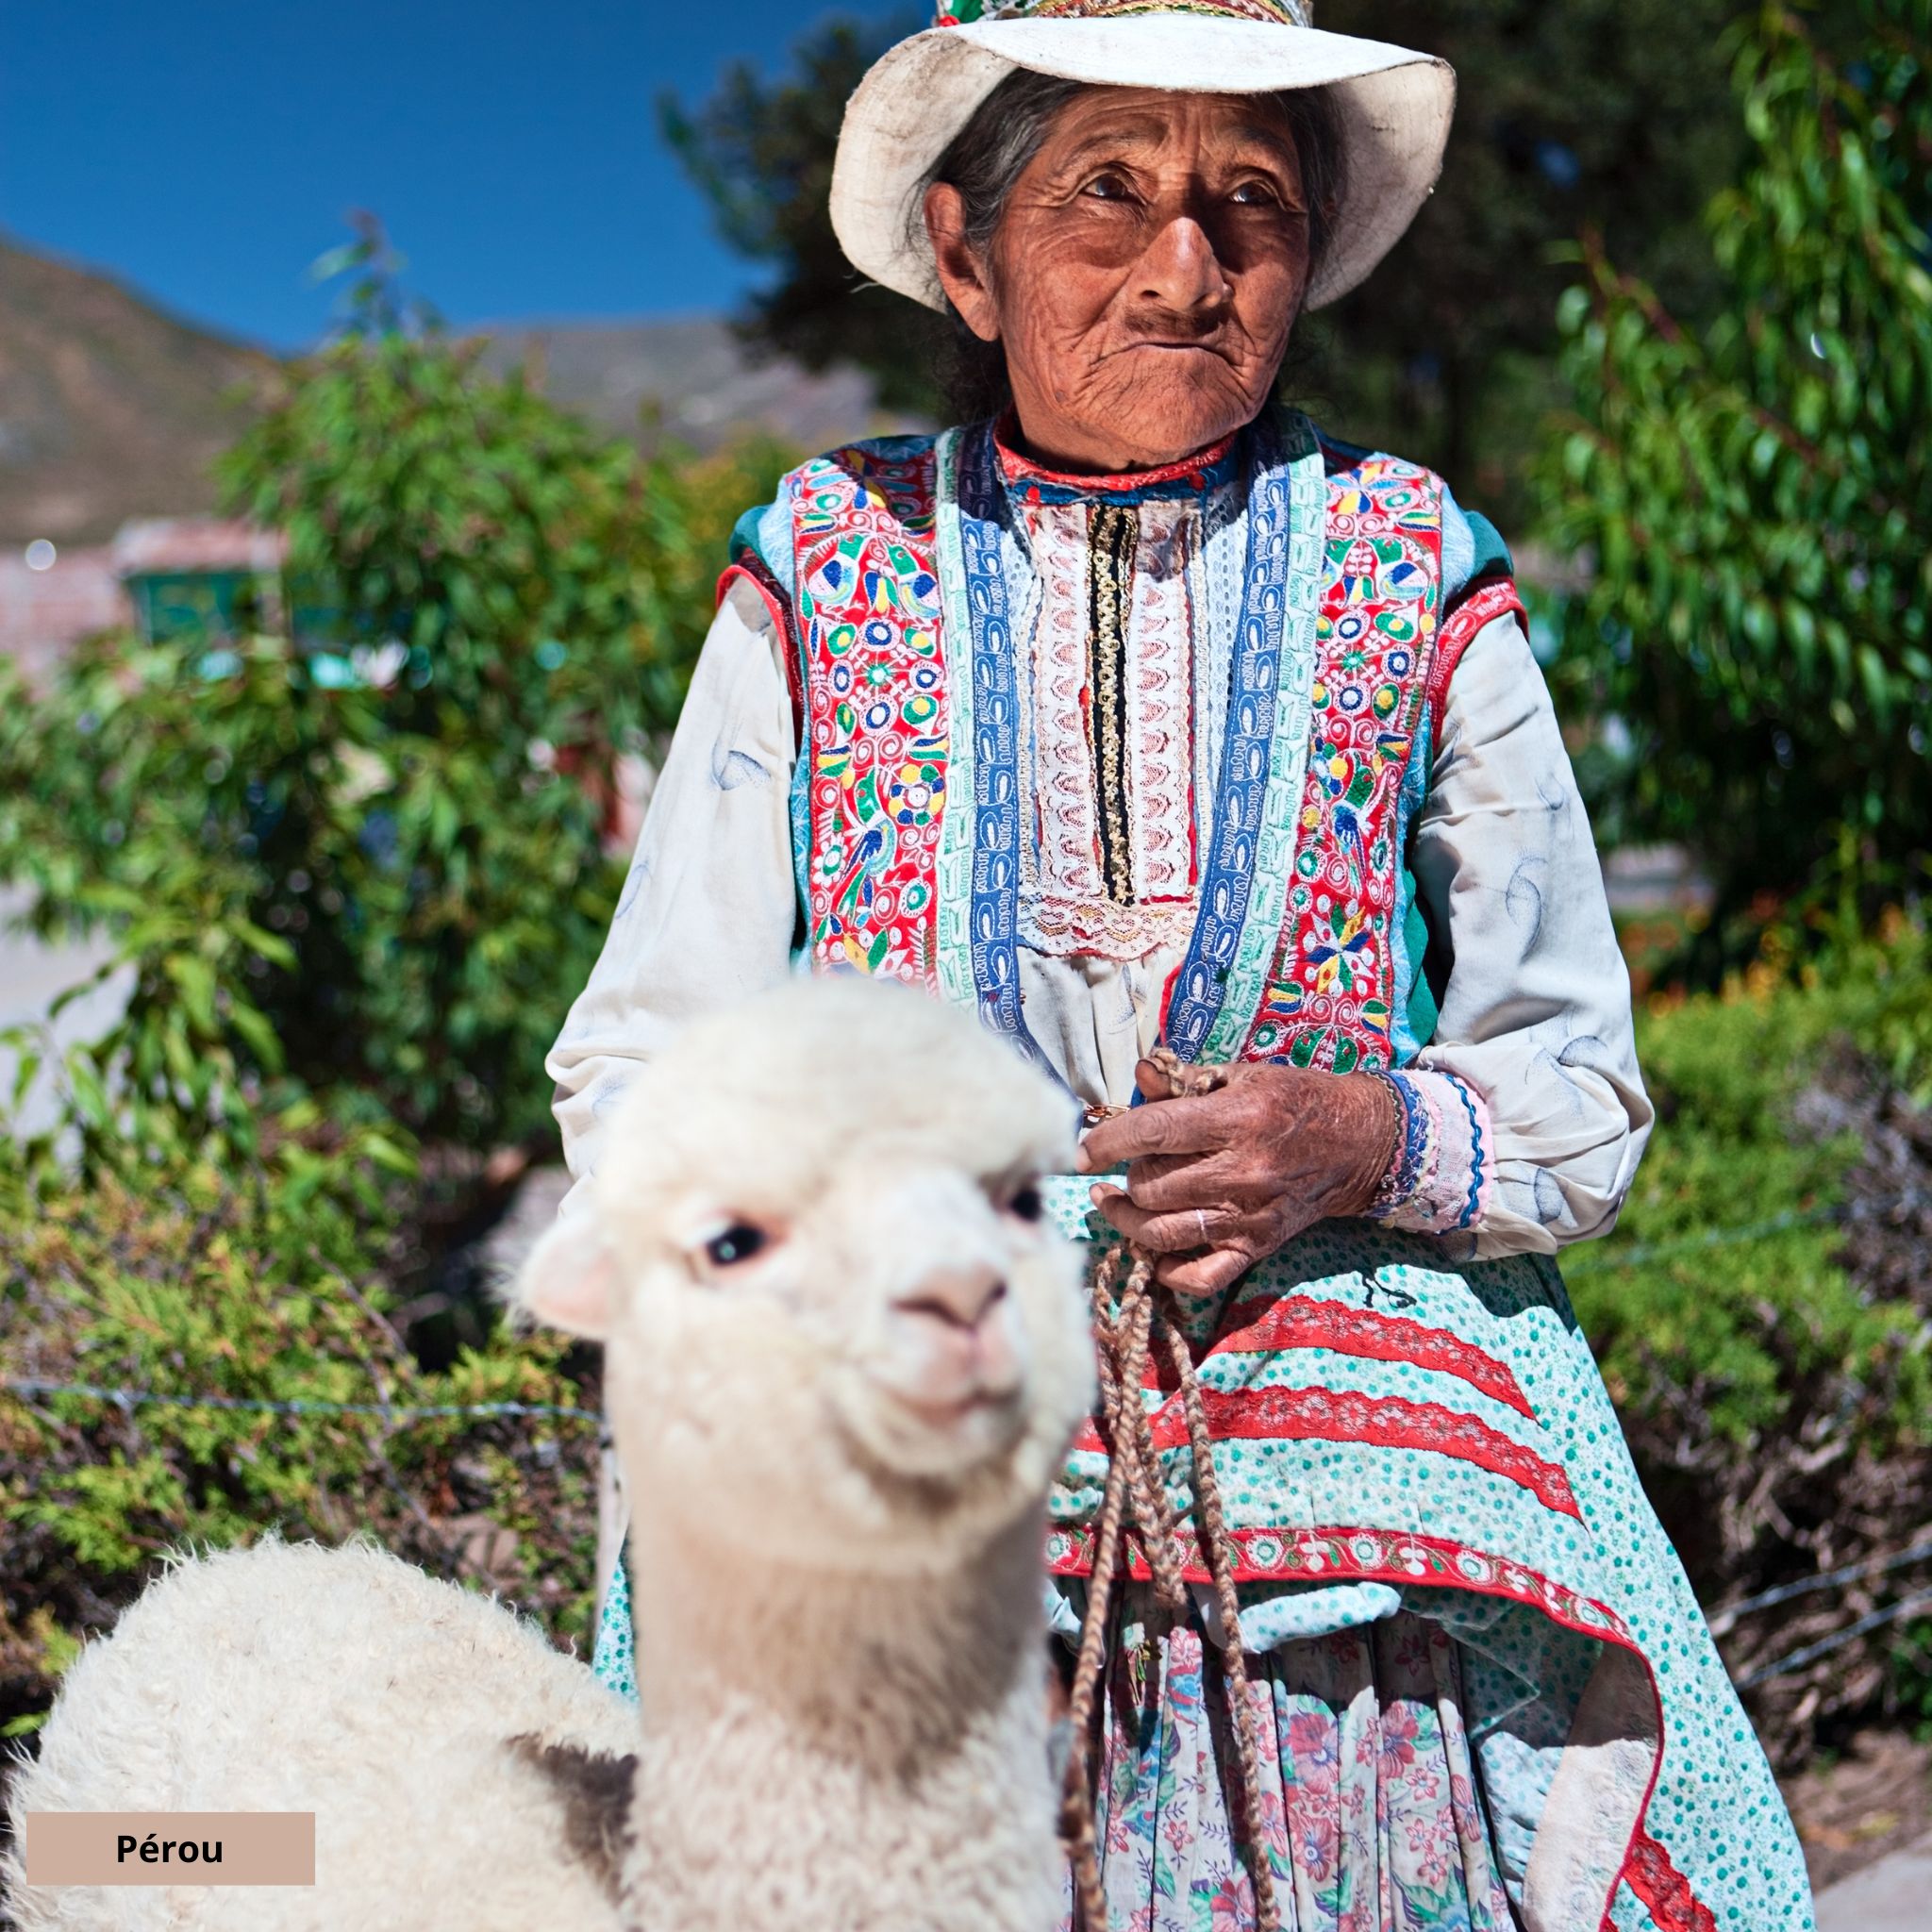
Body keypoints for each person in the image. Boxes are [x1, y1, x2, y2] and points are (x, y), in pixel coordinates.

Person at [547, 4, 1813, 1926]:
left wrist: (1363, 1138)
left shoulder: (1408, 562)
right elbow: (647, 1061)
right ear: (967, 255)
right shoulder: (824, 560)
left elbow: (1578, 1084)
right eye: (1107, 193)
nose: (1184, 270)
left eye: (1250, 205)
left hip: (1358, 1547)